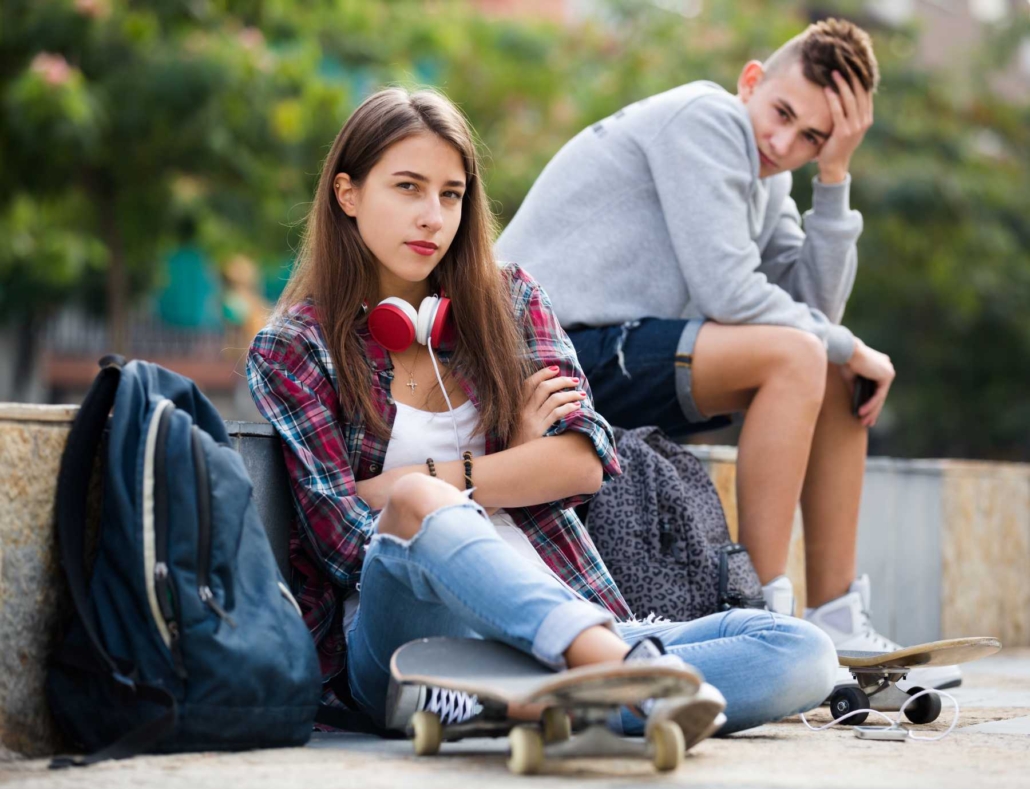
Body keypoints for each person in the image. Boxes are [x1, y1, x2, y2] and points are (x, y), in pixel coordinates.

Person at [247, 87, 837, 746]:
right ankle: (617, 675)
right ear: (348, 194)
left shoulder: (511, 300)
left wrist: (445, 478)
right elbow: (345, 536)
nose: (432, 217)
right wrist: (512, 466)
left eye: (450, 193)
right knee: (414, 501)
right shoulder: (297, 345)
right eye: (408, 187)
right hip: (404, 645)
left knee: (803, 650)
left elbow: (584, 463)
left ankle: (542, 700)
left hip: (559, 606)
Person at [496, 19, 959, 690]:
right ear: (750, 82)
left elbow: (813, 310)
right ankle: (762, 613)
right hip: (543, 352)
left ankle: (834, 617)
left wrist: (833, 178)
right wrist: (851, 345)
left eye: (813, 138)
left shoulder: (769, 178)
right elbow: (730, 292)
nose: (784, 142)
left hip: (614, 351)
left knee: (826, 367)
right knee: (810, 355)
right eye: (782, 114)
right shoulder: (706, 119)